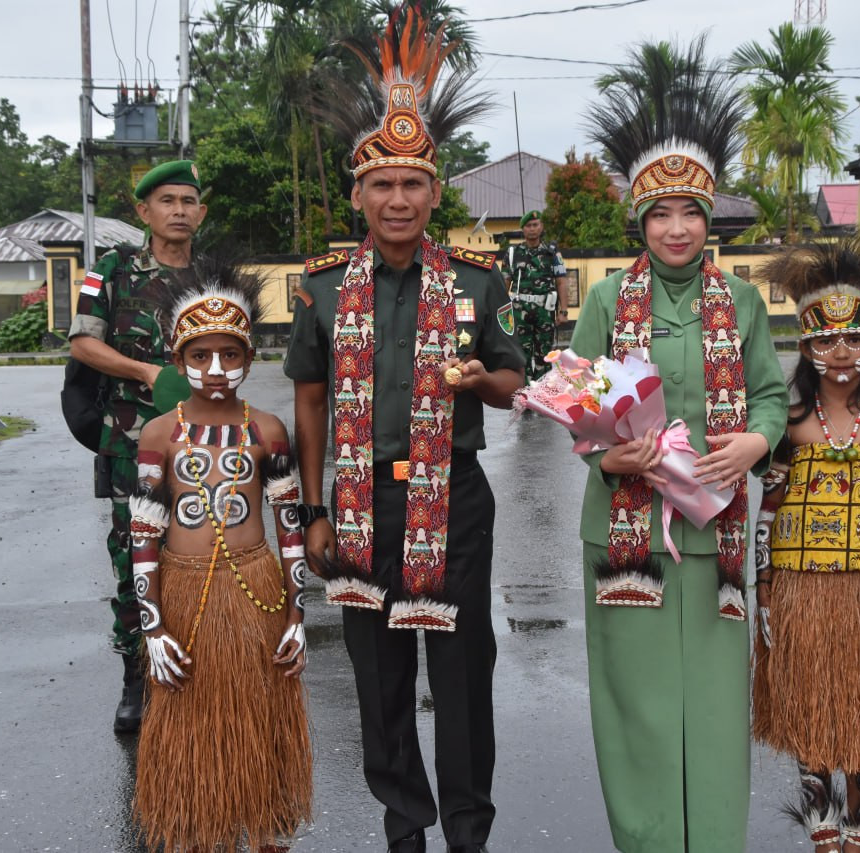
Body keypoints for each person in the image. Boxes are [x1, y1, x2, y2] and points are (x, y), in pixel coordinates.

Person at [284, 9, 523, 853]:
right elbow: (309, 401)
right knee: (379, 678)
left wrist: (479, 378)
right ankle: (404, 824)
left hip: (452, 498)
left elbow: (513, 381)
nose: (396, 200)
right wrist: (311, 511)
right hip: (354, 504)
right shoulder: (319, 290)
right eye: (381, 185)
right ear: (359, 194)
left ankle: (466, 829)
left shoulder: (475, 282)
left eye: (412, 184)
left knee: (461, 674)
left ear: (434, 191)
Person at [573, 37, 788, 852]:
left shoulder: (742, 300)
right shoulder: (603, 300)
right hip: (627, 533)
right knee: (638, 706)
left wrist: (754, 445)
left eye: (690, 212)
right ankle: (650, 840)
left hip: (716, 533)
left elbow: (770, 392)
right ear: (640, 219)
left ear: (709, 220)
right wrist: (606, 456)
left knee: (713, 709)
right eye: (658, 213)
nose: (674, 227)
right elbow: (581, 405)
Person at [752, 231, 860, 853]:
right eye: (826, 339)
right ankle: (825, 843)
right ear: (806, 344)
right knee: (810, 729)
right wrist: (765, 596)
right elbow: (766, 517)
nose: (841, 352)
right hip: (800, 596)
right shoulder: (789, 426)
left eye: (855, 338)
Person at [129, 265, 311, 852]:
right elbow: (142, 535)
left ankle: (265, 830)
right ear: (178, 358)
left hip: (257, 591)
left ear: (249, 358)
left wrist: (297, 616)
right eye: (200, 355)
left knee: (260, 717)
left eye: (229, 355)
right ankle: (200, 832)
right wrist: (153, 627)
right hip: (183, 599)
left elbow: (289, 529)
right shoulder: (159, 436)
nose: (214, 370)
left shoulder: (268, 431)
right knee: (189, 723)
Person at [68, 160, 206, 733]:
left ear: (201, 211)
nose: (179, 210)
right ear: (143, 212)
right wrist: (147, 374)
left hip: (203, 443)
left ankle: (200, 669)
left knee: (203, 554)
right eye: (166, 200)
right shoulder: (114, 269)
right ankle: (136, 676)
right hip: (132, 444)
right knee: (135, 557)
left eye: (188, 201)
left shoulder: (214, 278)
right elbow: (81, 343)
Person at [505, 210, 568, 381]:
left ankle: (543, 393)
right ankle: (524, 395)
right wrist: (503, 312)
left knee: (545, 355)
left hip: (544, 312)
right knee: (521, 355)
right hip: (519, 311)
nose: (532, 229)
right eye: (528, 226)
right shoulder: (512, 253)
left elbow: (561, 280)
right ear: (523, 229)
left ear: (541, 227)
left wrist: (563, 311)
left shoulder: (552, 252)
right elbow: (506, 283)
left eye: (535, 225)